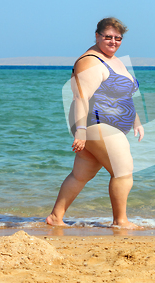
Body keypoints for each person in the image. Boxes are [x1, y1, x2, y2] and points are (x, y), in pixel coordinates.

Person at [46, 17, 144, 229]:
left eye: (118, 38)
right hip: (96, 124)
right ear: (97, 36)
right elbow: (80, 98)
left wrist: (136, 121)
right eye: (108, 37)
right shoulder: (90, 61)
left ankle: (55, 217)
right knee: (123, 171)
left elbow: (126, 94)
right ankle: (121, 221)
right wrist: (81, 131)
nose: (113, 41)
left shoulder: (114, 60)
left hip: (109, 126)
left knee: (82, 175)